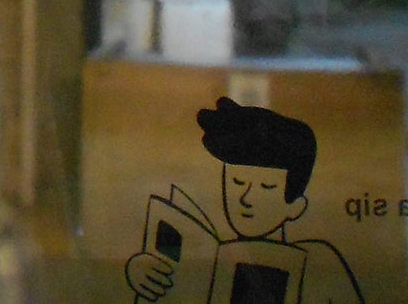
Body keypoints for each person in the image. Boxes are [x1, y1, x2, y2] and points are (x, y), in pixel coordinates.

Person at [126, 97, 365, 304]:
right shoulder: (206, 254)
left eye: (267, 187)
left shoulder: (318, 262)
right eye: (237, 182)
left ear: (295, 207)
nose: (246, 198)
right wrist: (143, 274)